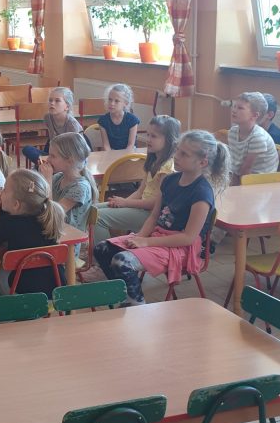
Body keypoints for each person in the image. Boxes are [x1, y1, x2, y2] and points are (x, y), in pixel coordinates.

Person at [92, 130, 229, 306]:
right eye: (178, 150)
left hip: (180, 248)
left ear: (202, 162)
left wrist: (147, 242)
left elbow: (188, 238)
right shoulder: (169, 180)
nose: (176, 156)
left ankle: (137, 306)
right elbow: (154, 216)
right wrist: (140, 237)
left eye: (184, 154)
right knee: (102, 249)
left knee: (122, 262)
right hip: (158, 236)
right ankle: (123, 296)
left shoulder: (202, 193)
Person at [89, 114, 180, 251]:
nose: (148, 139)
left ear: (169, 140)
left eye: (154, 136)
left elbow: (156, 203)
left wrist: (125, 203)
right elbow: (140, 191)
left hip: (152, 216)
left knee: (98, 217)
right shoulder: (154, 160)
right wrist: (121, 203)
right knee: (92, 209)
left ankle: (104, 258)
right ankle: (102, 251)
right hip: (141, 209)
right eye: (148, 135)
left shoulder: (168, 167)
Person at [0, 168, 68, 296]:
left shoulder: (11, 224)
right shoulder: (48, 218)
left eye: (4, 190)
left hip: (24, 296)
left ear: (16, 205)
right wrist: (5, 207)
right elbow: (7, 225)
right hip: (56, 293)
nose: (1, 192)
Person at [39, 132, 97, 254]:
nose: (48, 159)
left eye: (53, 156)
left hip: (66, 245)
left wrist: (47, 180)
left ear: (69, 160)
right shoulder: (59, 177)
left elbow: (53, 214)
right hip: (50, 233)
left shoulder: (80, 188)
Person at [22, 86, 83, 165]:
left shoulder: (72, 125)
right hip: (54, 150)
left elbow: (75, 153)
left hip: (68, 156)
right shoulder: (48, 117)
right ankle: (47, 165)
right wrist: (51, 157)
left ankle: (47, 165)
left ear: (67, 107)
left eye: (57, 101)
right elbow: (52, 140)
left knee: (45, 162)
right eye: (50, 100)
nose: (52, 103)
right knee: (27, 149)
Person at [227, 91, 279, 182]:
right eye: (234, 106)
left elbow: (246, 169)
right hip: (243, 177)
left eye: (240, 108)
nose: (234, 110)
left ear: (255, 115)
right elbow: (234, 164)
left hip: (261, 182)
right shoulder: (232, 132)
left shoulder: (257, 137)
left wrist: (233, 186)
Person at [98, 84, 140, 150]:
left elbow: (131, 145)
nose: (112, 103)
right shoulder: (103, 121)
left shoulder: (132, 120)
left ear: (125, 103)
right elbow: (106, 145)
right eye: (110, 99)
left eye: (116, 101)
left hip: (129, 152)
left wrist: (124, 156)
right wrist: (111, 156)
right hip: (111, 152)